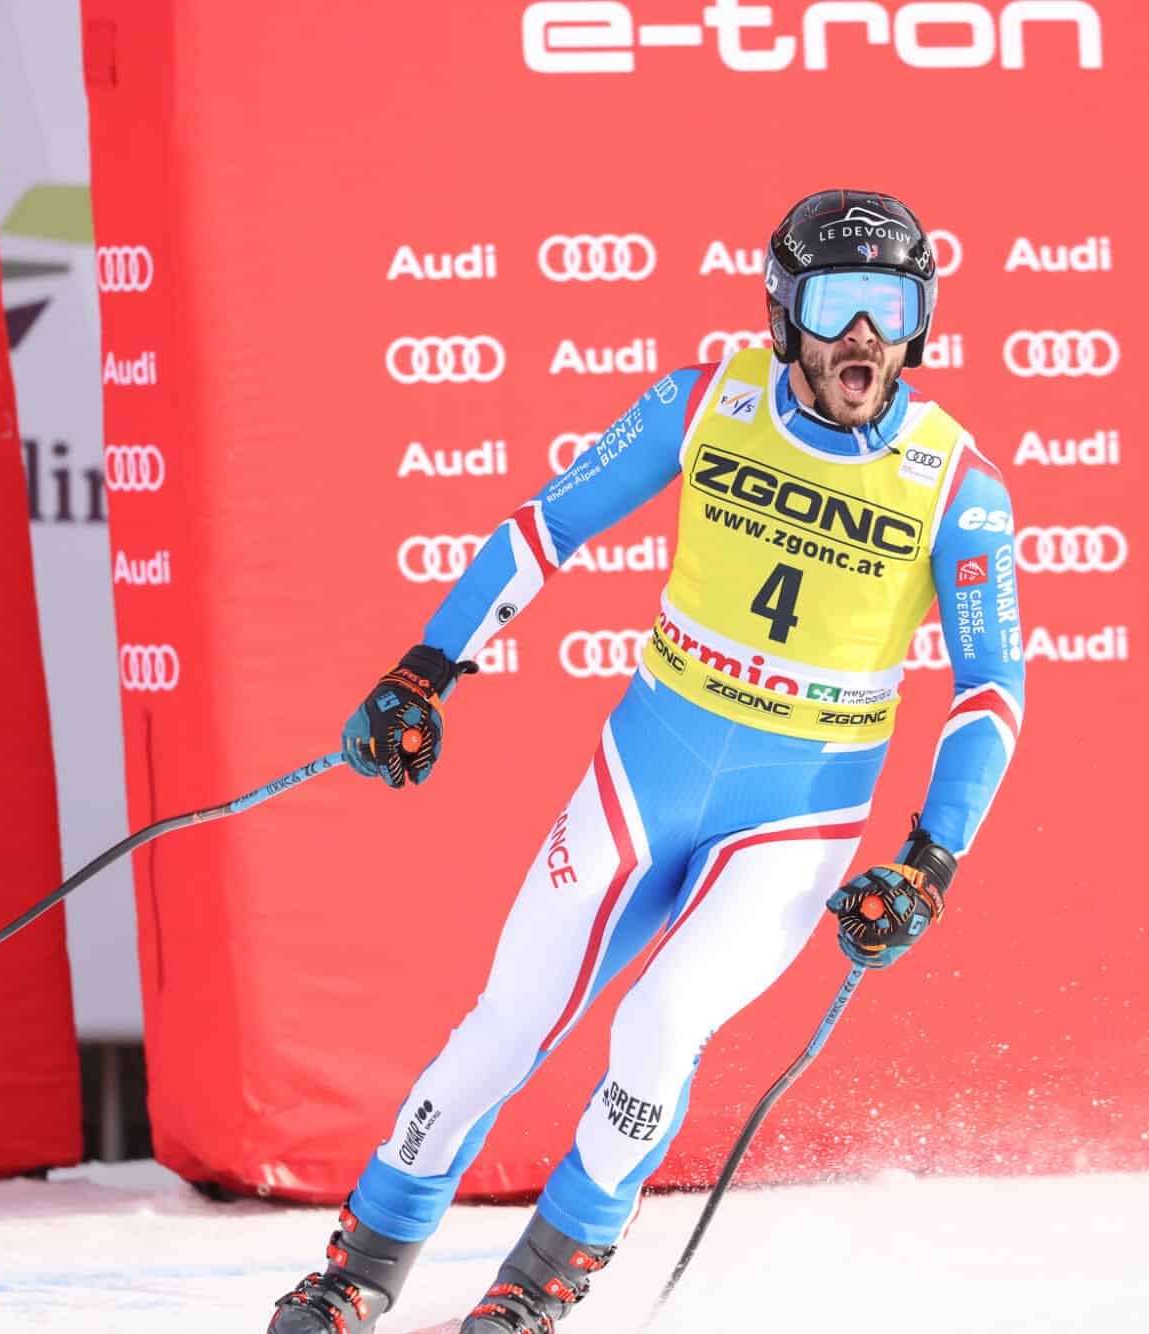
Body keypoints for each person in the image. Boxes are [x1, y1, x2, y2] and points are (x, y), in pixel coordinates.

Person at [269, 189, 1025, 1334]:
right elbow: (545, 528)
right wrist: (426, 668)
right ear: (784, 312)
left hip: (796, 815)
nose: (863, 334)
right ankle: (358, 1268)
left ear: (920, 319)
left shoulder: (955, 482)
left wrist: (930, 859)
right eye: (836, 303)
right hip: (645, 768)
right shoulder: (703, 401)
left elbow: (989, 691)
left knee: (659, 1025)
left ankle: (537, 1282)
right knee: (504, 1024)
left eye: (889, 304)